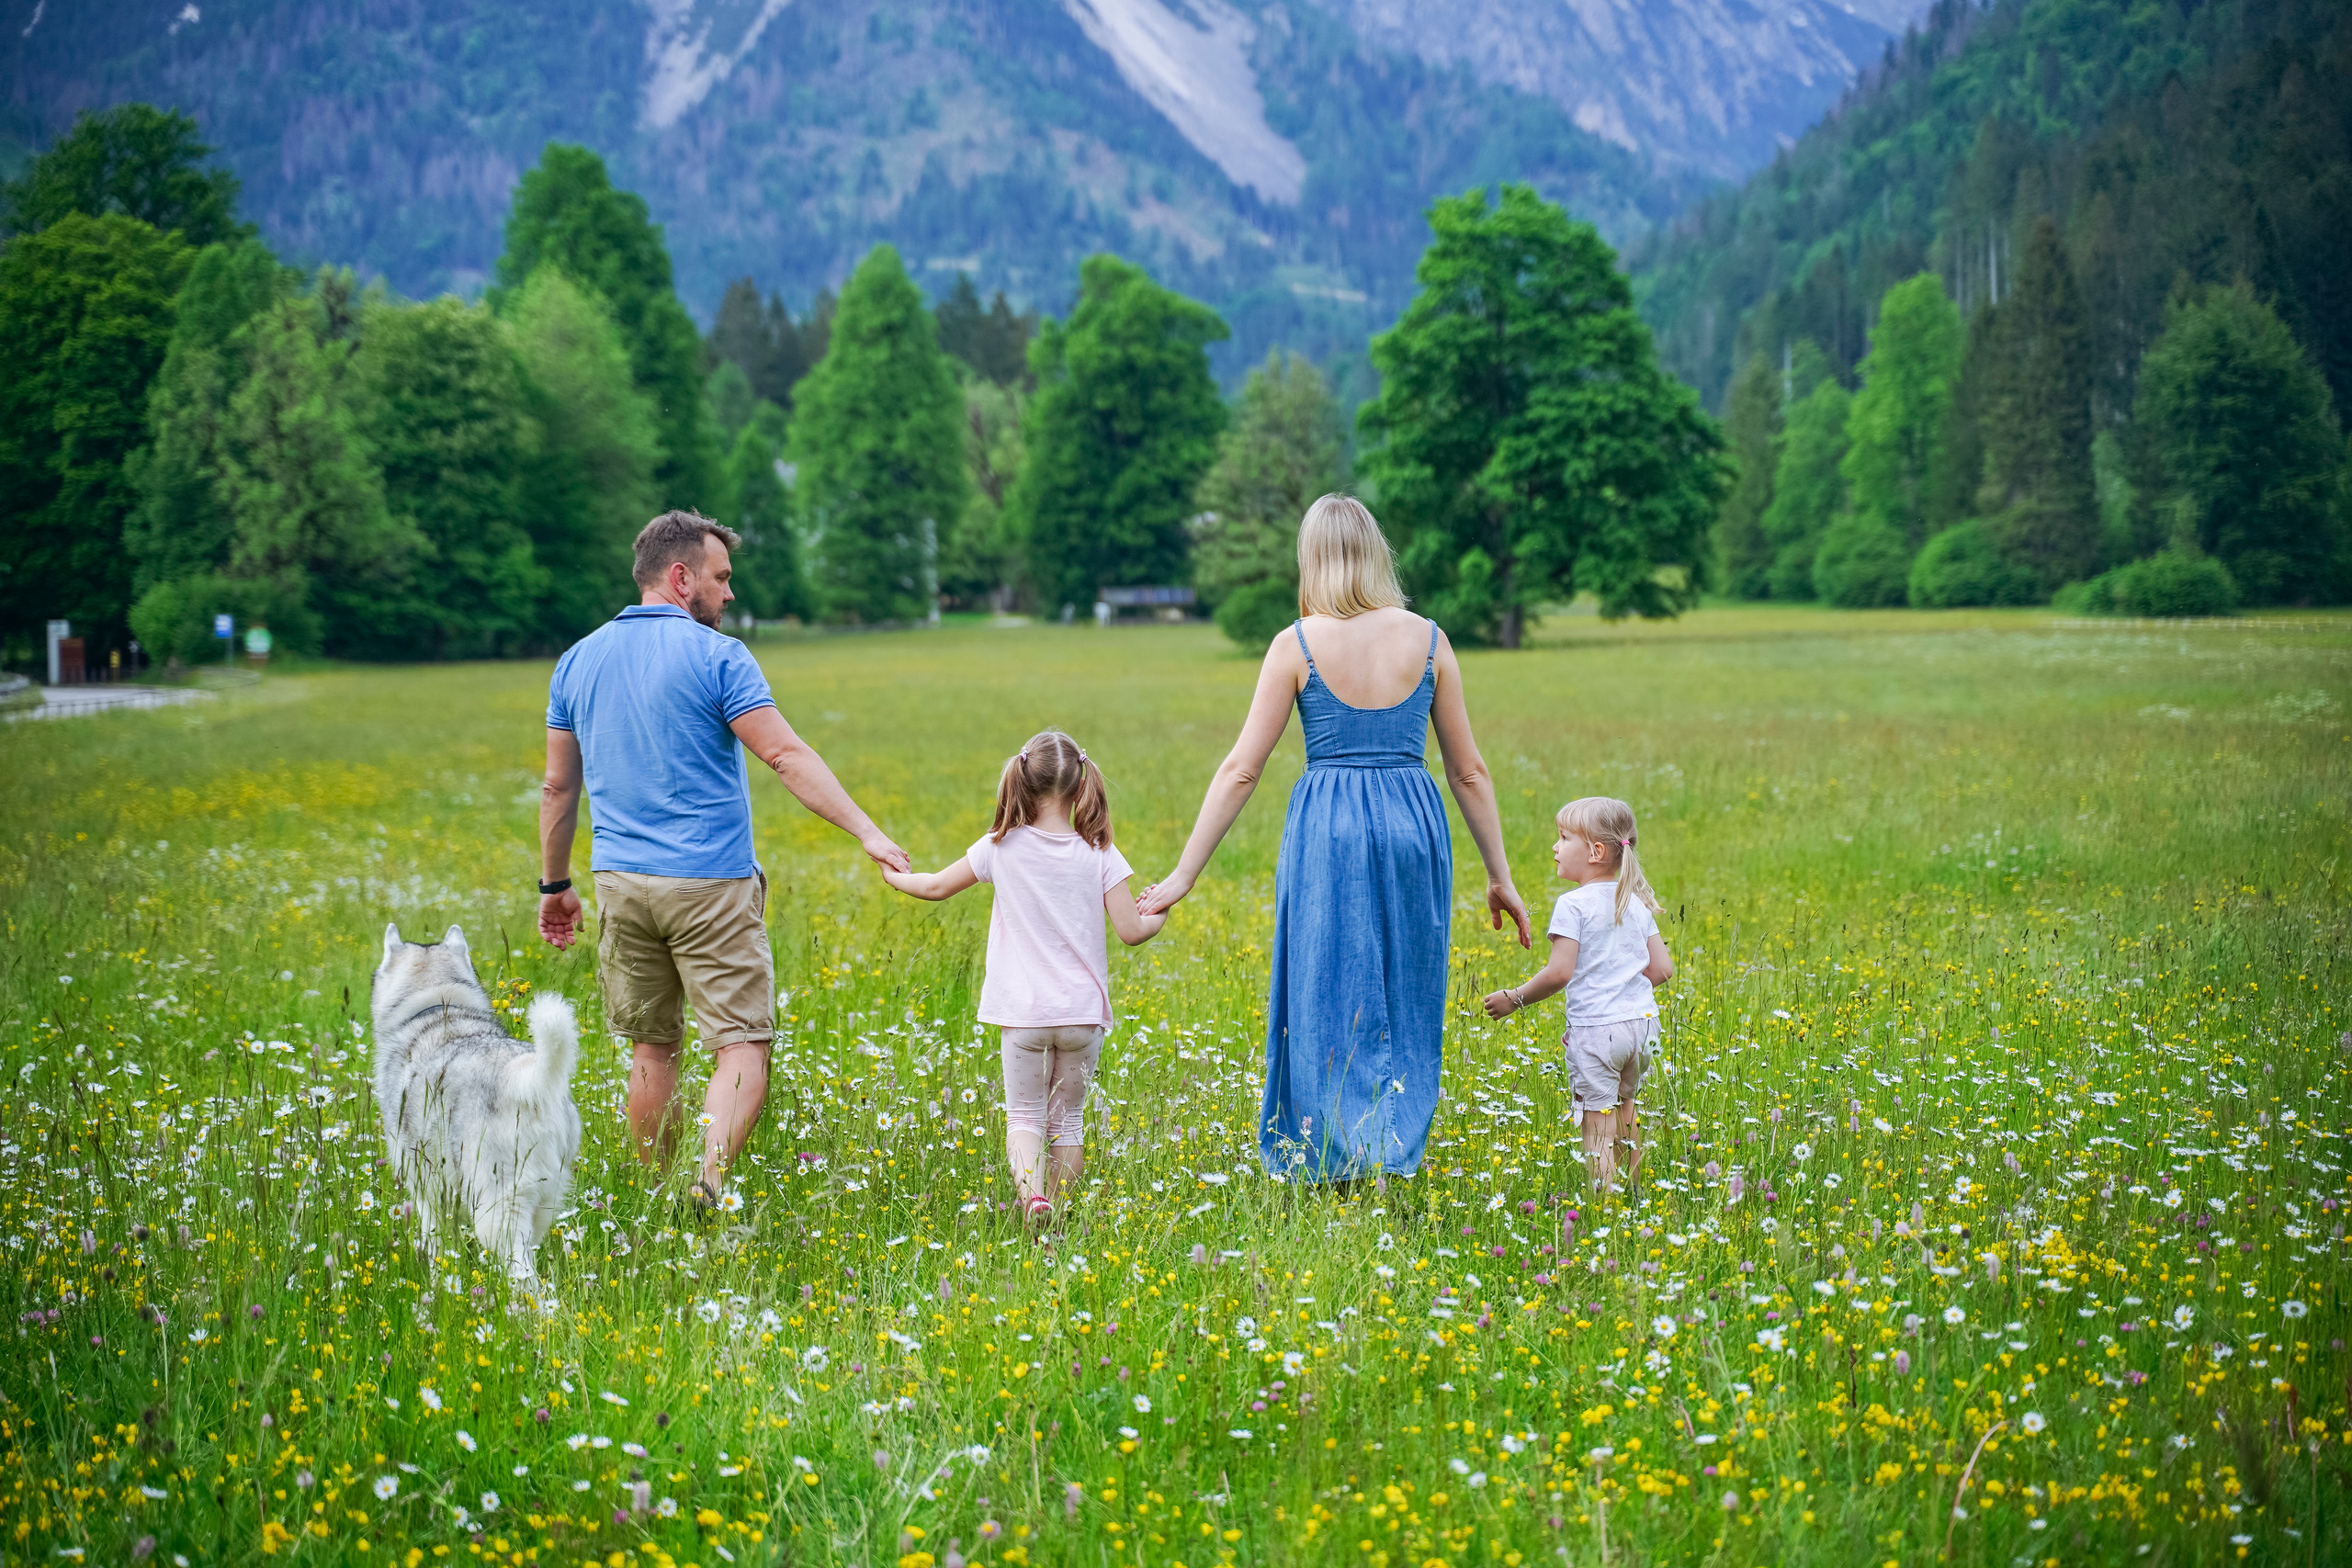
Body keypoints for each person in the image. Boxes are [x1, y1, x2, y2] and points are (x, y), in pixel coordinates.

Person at [1141, 495, 1530, 1181]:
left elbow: (1241, 770)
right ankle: (1390, 1143)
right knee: (1405, 985)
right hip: (1414, 823)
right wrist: (1500, 874)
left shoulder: (1295, 643)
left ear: (1312, 558)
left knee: (1321, 984)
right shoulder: (1429, 638)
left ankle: (1329, 1149)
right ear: (1377, 553)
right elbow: (1468, 770)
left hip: (1329, 826)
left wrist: (1183, 875)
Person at [537, 511, 909, 1209]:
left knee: (652, 1049)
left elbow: (559, 786)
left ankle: (652, 1196)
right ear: (681, 578)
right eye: (721, 578)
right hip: (709, 883)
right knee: (741, 1044)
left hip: (620, 884)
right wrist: (866, 831)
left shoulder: (576, 660)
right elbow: (785, 754)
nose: (729, 594)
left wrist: (554, 883)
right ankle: (706, 1182)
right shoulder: (720, 657)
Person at [880, 730, 1164, 1230]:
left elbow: (935, 887)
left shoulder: (999, 848)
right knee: (1068, 1124)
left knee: (1025, 1119)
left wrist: (893, 874)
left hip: (1025, 1016)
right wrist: (1161, 906)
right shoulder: (1101, 852)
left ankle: (1034, 1203)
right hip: (1082, 1016)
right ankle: (1058, 1217)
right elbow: (1133, 931)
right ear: (1081, 786)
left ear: (1022, 782)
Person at [1481, 797, 1673, 1199]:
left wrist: (1514, 998)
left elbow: (1559, 973)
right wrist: (1622, 987)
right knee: (1626, 1107)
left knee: (1596, 1124)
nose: (1555, 846)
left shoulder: (1573, 905)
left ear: (1596, 852)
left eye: (1564, 837)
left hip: (1597, 1032)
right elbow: (1662, 970)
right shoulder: (1634, 902)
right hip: (1643, 1027)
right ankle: (1635, 1194)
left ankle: (1606, 1204)